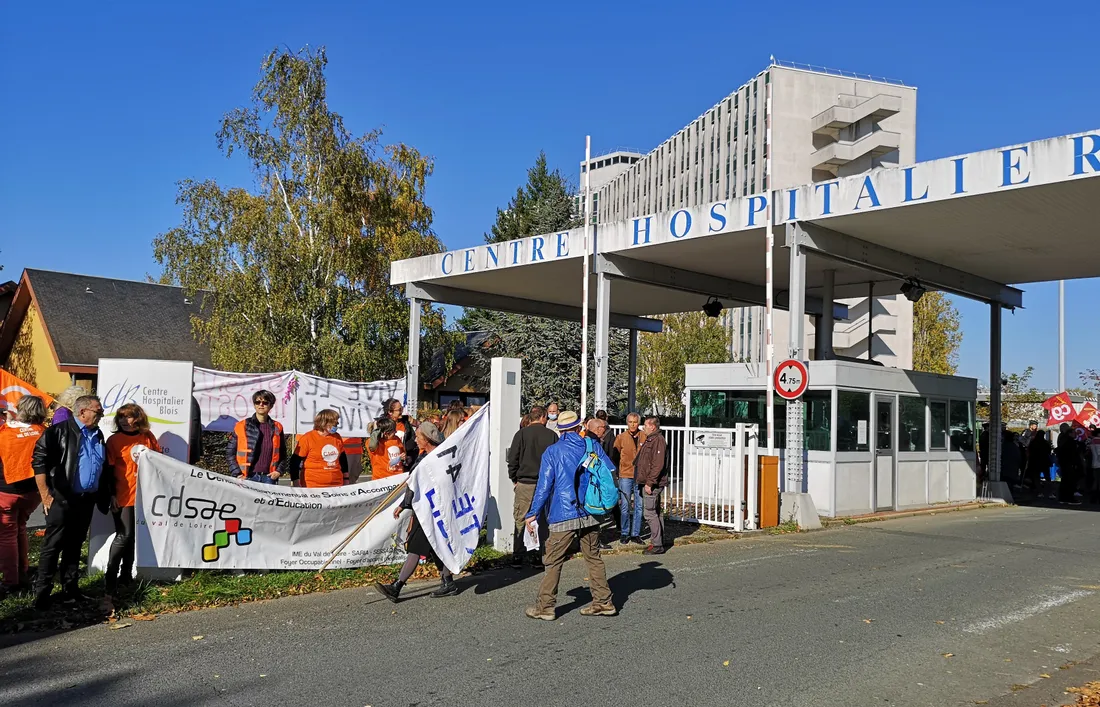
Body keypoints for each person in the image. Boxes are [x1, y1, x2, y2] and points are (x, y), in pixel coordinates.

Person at [523, 411, 616, 621]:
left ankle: (545, 607)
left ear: (561, 430)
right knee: (593, 557)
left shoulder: (553, 452)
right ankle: (603, 602)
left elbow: (544, 487)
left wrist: (532, 513)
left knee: (553, 560)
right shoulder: (592, 446)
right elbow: (609, 471)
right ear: (578, 427)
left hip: (563, 512)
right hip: (591, 511)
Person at [32, 394, 109, 609]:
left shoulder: (98, 434)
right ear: (83, 411)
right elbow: (39, 463)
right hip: (62, 499)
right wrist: (46, 495)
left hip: (85, 500)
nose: (101, 414)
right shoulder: (57, 432)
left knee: (75, 545)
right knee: (53, 545)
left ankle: (70, 590)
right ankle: (42, 594)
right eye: (98, 411)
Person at [374, 422, 458, 602]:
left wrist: (407, 505)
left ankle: (396, 587)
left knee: (416, 547)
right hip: (424, 509)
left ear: (427, 439)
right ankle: (448, 582)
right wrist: (405, 505)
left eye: (419, 437)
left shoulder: (438, 458)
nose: (416, 440)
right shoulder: (423, 457)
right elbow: (414, 484)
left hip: (435, 510)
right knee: (436, 547)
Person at [102, 403, 161, 610]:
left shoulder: (148, 437)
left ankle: (126, 577)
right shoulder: (113, 440)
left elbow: (158, 462)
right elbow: (107, 470)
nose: (125, 421)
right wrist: (110, 495)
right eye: (122, 418)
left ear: (138, 419)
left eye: (129, 417)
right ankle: (110, 580)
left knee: (133, 536)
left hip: (144, 495)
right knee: (124, 535)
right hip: (122, 495)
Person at [0, 395, 46, 593]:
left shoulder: (4, 432)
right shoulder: (44, 432)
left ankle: (11, 580)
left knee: (7, 535)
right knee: (21, 527)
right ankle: (23, 571)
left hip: (6, 490)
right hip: (34, 491)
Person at [506, 405, 557, 568]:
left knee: (521, 518)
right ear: (542, 417)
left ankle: (518, 555)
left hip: (525, 482)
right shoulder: (551, 435)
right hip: (545, 483)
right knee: (542, 519)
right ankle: (539, 554)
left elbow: (513, 458)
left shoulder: (521, 434)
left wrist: (514, 477)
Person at [227, 389, 287, 484]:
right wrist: (237, 473)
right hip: (246, 477)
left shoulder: (277, 427)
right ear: (254, 405)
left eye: (265, 402)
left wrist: (278, 471)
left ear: (271, 406)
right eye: (258, 402)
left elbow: (283, 454)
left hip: (269, 477)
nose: (261, 405)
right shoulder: (241, 425)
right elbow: (230, 453)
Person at [635, 415, 669, 555]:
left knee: (649, 513)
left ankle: (657, 544)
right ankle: (659, 540)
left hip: (652, 483)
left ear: (653, 427)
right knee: (655, 512)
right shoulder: (651, 439)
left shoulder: (658, 441)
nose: (643, 427)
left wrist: (650, 482)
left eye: (646, 425)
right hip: (649, 482)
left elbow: (657, 464)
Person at [290, 409, 348, 488]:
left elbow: (342, 459)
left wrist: (346, 478)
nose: (337, 425)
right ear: (325, 423)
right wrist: (295, 480)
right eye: (335, 423)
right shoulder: (308, 438)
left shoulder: (337, 437)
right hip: (312, 485)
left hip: (336, 484)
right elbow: (294, 461)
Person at [613, 412, 647, 546]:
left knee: (639, 506)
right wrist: (617, 472)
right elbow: (615, 456)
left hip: (640, 476)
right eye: (630, 422)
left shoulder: (644, 436)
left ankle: (636, 533)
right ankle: (624, 532)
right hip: (625, 474)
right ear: (627, 423)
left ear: (639, 423)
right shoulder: (621, 437)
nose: (633, 424)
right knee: (625, 505)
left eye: (635, 422)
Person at [369, 398, 418, 469]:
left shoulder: (405, 422)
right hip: (385, 465)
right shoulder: (382, 425)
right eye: (399, 410)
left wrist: (409, 456)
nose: (402, 411)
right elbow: (374, 446)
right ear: (390, 412)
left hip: (403, 464)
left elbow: (411, 441)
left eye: (402, 408)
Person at [1055, 423, 1083, 505]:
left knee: (1065, 481)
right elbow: (1073, 454)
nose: (1075, 434)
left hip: (1065, 463)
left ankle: (1063, 498)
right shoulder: (1070, 442)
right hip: (1069, 464)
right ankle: (1069, 498)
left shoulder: (1064, 440)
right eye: (1073, 433)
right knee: (1069, 481)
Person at [1026, 429, 1052, 496]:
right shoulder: (1045, 443)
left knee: (1036, 477)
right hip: (1044, 461)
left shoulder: (1033, 442)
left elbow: (1030, 451)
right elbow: (1049, 451)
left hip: (1035, 462)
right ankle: (1049, 492)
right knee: (1047, 477)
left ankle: (1040, 491)